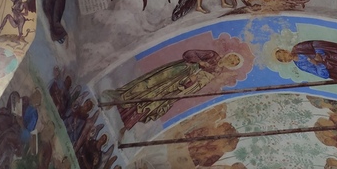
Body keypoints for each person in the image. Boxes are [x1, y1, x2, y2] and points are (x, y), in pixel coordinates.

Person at [102, 50, 243, 129]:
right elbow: (189, 53)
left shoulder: (217, 71)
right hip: (177, 72)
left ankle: (128, 116)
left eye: (234, 63)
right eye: (233, 57)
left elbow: (200, 84)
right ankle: (119, 97)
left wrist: (190, 83)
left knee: (157, 100)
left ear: (231, 66)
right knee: (150, 83)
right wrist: (199, 62)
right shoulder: (212, 55)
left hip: (181, 85)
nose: (232, 60)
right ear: (229, 54)